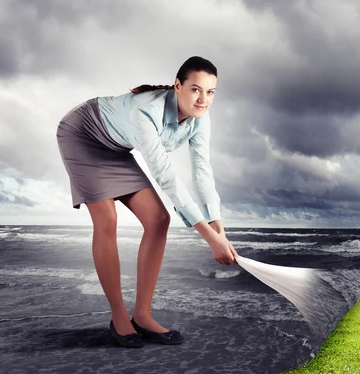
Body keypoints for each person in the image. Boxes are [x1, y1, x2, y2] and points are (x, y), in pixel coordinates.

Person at [56, 56, 238, 348]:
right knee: (107, 220)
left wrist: (219, 231)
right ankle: (119, 319)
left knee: (158, 220)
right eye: (195, 89)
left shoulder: (200, 119)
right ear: (178, 86)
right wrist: (208, 239)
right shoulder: (147, 110)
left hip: (115, 148)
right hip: (83, 135)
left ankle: (142, 315)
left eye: (210, 92)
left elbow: (203, 174)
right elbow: (167, 178)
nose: (203, 99)